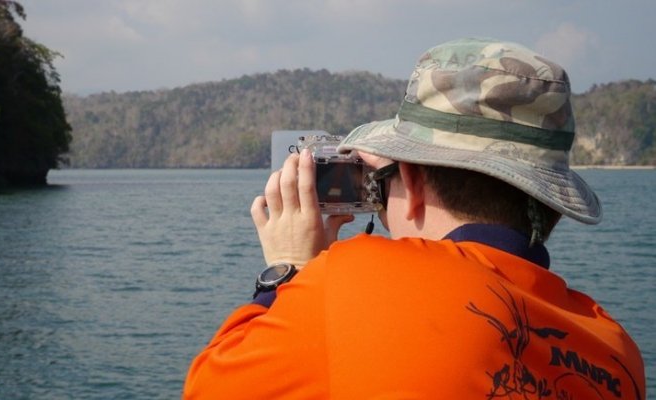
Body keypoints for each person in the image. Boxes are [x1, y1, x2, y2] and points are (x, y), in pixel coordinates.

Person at [183, 37, 646, 399]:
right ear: (550, 205)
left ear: (416, 185)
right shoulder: (615, 350)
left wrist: (287, 271)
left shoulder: (353, 279)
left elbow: (210, 390)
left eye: (383, 186)